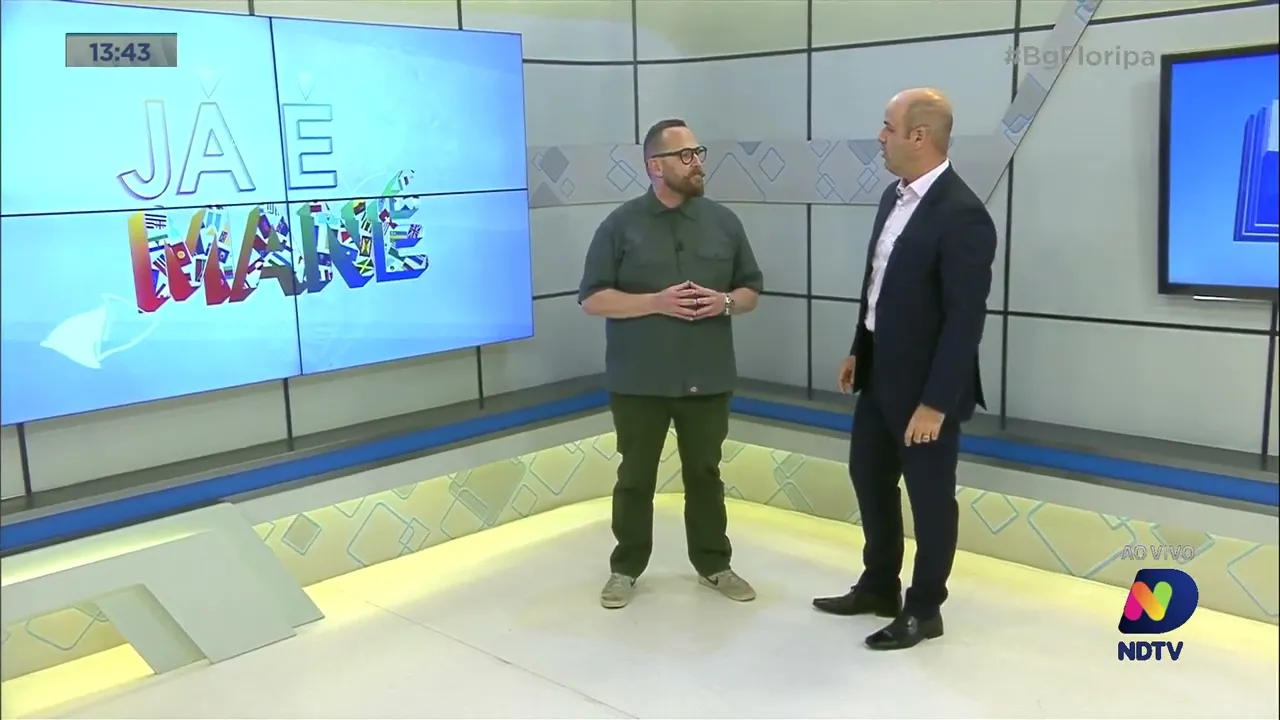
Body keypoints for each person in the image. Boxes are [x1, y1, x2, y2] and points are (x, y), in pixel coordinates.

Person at [812, 89, 997, 650]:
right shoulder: (892, 199)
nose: (880, 136)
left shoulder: (963, 215)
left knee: (930, 501)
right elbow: (878, 287)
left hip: (926, 391)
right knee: (869, 478)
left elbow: (965, 320)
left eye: (888, 127)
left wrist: (936, 404)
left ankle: (924, 609)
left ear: (919, 136)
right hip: (879, 376)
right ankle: (878, 586)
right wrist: (858, 348)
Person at [578, 118, 764, 610]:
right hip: (639, 380)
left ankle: (714, 564)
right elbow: (593, 299)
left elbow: (750, 290)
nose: (697, 162)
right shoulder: (619, 225)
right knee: (635, 477)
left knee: (705, 474)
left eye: (699, 152)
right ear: (655, 166)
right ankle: (626, 568)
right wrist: (655, 302)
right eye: (685, 155)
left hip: (709, 375)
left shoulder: (724, 222)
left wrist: (725, 302)